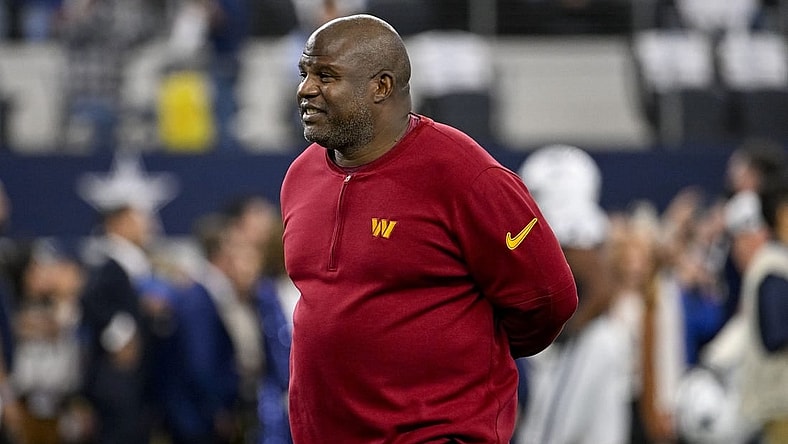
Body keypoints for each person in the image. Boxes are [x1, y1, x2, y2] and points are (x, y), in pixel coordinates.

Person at [279, 14, 578, 443]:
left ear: (381, 87)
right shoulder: (300, 176)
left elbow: (549, 300)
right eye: (304, 73)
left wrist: (468, 364)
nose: (305, 89)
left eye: (325, 75)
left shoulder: (465, 174)